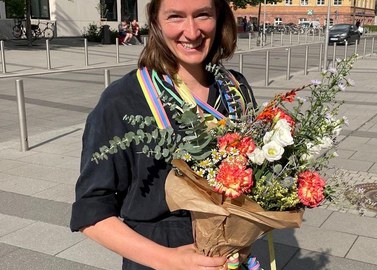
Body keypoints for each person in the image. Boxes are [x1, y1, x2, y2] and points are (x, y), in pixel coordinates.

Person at [70, 0, 256, 269]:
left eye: (203, 15)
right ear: (156, 21)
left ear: (219, 17)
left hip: (230, 252)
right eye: (175, 17)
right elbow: (91, 211)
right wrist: (168, 260)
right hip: (157, 255)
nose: (192, 32)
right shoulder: (122, 100)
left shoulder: (235, 88)